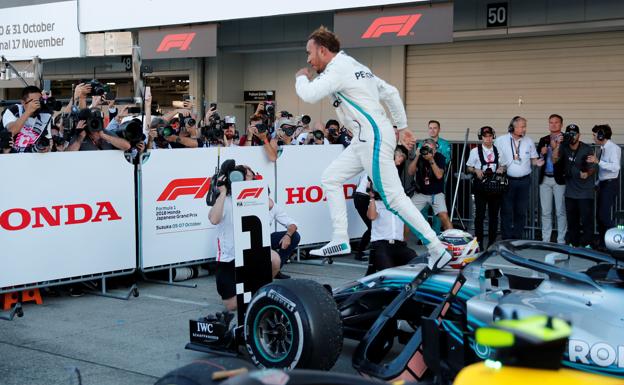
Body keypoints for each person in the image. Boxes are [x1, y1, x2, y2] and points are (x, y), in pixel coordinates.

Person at [294, 26, 452, 271]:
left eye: (309, 53)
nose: (308, 59)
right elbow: (391, 92)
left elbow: (309, 94)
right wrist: (402, 125)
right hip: (365, 137)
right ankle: (340, 239)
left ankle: (436, 248)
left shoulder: (338, 68)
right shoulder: (356, 66)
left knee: (394, 198)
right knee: (331, 178)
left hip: (373, 136)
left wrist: (301, 76)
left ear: (323, 51)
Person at [208, 166, 281, 311]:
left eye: (248, 176)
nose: (245, 178)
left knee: (274, 259)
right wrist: (222, 192)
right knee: (232, 306)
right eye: (243, 175)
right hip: (228, 258)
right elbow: (214, 219)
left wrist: (254, 190)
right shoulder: (225, 199)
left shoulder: (256, 197)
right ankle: (253, 294)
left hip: (250, 254)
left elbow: (271, 205)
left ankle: (259, 292)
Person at [495, 116, 544, 240]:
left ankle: (517, 238)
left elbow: (533, 160)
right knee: (506, 211)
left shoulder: (529, 141)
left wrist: (537, 163)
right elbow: (494, 157)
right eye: (522, 126)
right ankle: (506, 239)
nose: (524, 129)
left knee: (521, 211)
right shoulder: (501, 140)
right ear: (513, 127)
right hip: (507, 181)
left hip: (524, 181)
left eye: (525, 126)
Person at [366, 180, 424, 275]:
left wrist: (404, 239)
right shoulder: (376, 203)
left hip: (399, 245)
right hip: (381, 245)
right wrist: (371, 198)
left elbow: (406, 222)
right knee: (389, 273)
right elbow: (372, 216)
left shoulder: (401, 203)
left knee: (418, 265)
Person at [552, 124, 597, 248]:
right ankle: (573, 243)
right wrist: (558, 144)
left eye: (574, 134)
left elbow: (593, 168)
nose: (572, 136)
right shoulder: (564, 147)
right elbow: (554, 160)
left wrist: (587, 173)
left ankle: (588, 244)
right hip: (570, 191)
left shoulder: (586, 148)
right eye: (569, 134)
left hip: (585, 191)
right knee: (572, 220)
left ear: (579, 135)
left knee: (586, 219)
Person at [465, 126, 506, 249]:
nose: (487, 139)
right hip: (480, 186)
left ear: (493, 136)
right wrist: (476, 170)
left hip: (495, 187)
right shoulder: (474, 151)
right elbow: (468, 167)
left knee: (494, 216)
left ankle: (492, 242)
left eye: (489, 136)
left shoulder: (498, 150)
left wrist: (501, 168)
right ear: (481, 137)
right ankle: (479, 243)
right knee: (480, 216)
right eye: (485, 136)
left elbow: (504, 166)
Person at [407, 138, 453, 231]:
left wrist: (431, 160)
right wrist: (417, 156)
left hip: (436, 194)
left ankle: (453, 242)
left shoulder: (440, 157)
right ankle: (402, 243)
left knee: (444, 217)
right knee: (407, 216)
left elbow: (439, 175)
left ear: (434, 150)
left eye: (429, 149)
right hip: (420, 194)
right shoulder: (420, 157)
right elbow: (410, 172)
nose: (426, 151)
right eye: (425, 148)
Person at [587, 124, 621, 249]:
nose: (593, 137)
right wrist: (597, 183)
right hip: (603, 184)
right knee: (600, 217)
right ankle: (603, 244)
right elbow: (604, 172)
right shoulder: (603, 148)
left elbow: (616, 167)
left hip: (610, 185)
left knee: (604, 216)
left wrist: (598, 161)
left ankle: (619, 240)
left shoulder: (613, 148)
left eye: (595, 135)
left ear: (601, 135)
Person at [417, 120, 452, 234]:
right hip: (423, 178)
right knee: (423, 210)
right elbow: (418, 158)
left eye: (435, 128)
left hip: (437, 179)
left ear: (439, 129)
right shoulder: (422, 143)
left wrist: (433, 157)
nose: (432, 130)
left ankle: (436, 233)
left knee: (438, 211)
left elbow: (445, 161)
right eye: (430, 128)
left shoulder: (445, 144)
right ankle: (425, 234)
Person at [537, 114, 567, 244]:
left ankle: (561, 240)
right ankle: (546, 240)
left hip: (560, 179)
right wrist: (541, 153)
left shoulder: (566, 139)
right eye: (551, 122)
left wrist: (557, 147)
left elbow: (567, 158)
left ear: (561, 124)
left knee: (560, 211)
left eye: (556, 122)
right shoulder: (543, 139)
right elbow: (538, 159)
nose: (553, 125)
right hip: (545, 179)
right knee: (545, 212)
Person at [2, 85, 53, 153]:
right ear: (23, 102)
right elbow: (11, 131)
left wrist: (46, 148)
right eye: (34, 101)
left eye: (39, 101)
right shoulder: (14, 110)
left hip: (32, 158)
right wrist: (28, 112)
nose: (37, 104)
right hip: (11, 157)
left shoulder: (45, 115)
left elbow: (47, 140)